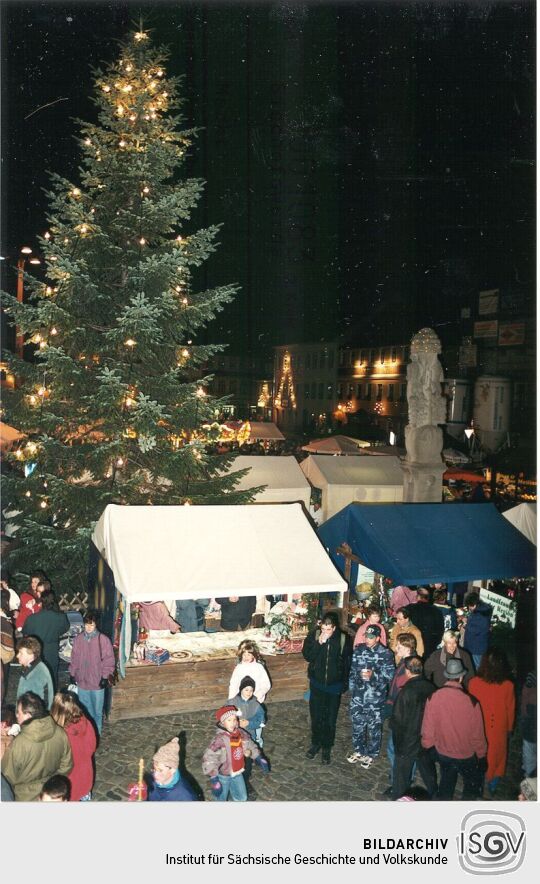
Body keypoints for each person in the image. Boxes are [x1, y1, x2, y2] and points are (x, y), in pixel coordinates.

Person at [421, 657, 487, 800]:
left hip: (443, 752)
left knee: (446, 783)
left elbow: (427, 729)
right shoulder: (471, 702)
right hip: (466, 755)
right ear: (461, 676)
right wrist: (482, 755)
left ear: (446, 675)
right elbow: (478, 735)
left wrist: (428, 747)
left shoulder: (434, 697)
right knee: (470, 787)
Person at [1, 691, 73, 801]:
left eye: (18, 712)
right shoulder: (60, 732)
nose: (16, 715)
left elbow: (7, 776)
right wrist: (51, 783)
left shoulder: (19, 744)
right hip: (48, 794)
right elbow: (66, 766)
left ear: (28, 715)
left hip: (24, 797)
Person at [302, 610, 352, 764]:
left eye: (328, 630)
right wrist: (319, 643)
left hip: (334, 686)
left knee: (330, 719)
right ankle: (315, 743)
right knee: (316, 716)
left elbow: (347, 663)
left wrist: (344, 684)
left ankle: (326, 748)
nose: (325, 632)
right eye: (323, 629)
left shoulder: (344, 639)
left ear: (334, 628)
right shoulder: (315, 635)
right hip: (317, 684)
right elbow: (308, 656)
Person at [348, 623, 395, 770]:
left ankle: (372, 754)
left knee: (374, 727)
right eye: (366, 636)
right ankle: (359, 750)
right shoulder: (359, 650)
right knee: (357, 725)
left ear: (378, 638)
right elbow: (352, 670)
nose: (368, 639)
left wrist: (374, 676)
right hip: (358, 696)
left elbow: (390, 675)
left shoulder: (386, 653)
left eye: (371, 637)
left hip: (375, 697)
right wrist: (353, 688)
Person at [468, 648, 515, 796]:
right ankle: (493, 784)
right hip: (498, 727)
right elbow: (510, 709)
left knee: (479, 754)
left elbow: (471, 707)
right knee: (497, 755)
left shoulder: (474, 682)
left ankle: (479, 784)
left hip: (479, 725)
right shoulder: (508, 685)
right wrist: (509, 728)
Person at [389, 655, 436, 799]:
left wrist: (397, 743)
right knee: (428, 772)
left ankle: (399, 799)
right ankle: (435, 795)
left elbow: (397, 720)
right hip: (425, 739)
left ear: (408, 671)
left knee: (401, 777)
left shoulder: (406, 691)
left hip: (407, 742)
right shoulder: (431, 687)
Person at [202, 705, 269, 801]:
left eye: (234, 720)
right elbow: (209, 757)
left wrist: (258, 757)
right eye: (229, 720)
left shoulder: (241, 733)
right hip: (224, 775)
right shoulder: (220, 739)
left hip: (238, 772)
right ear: (222, 722)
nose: (233, 723)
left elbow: (250, 744)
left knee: (242, 797)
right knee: (221, 798)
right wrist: (214, 778)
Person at [69, 610, 115, 735]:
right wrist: (72, 673)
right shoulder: (78, 639)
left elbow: (109, 660)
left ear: (96, 625)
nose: (89, 628)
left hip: (97, 682)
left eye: (92, 625)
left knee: (97, 712)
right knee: (85, 711)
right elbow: (74, 658)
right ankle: (87, 736)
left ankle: (97, 735)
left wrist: (105, 676)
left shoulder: (103, 640)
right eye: (87, 624)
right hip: (82, 681)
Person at [50, 690, 97, 800]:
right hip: (85, 779)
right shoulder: (86, 722)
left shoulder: (59, 735)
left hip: (68, 787)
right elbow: (92, 747)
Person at [22, 588, 69, 688]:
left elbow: (25, 631)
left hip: (36, 652)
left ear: (41, 602)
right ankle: (53, 701)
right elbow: (65, 628)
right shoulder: (60, 617)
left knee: (36, 679)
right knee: (52, 680)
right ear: (53, 601)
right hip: (52, 651)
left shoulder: (32, 618)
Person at [147, 736, 199, 801]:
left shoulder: (185, 797)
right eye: (154, 769)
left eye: (160, 771)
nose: (155, 774)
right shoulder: (150, 780)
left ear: (172, 770)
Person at [15, 636, 54, 709]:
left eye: (21, 653)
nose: (17, 656)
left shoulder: (38, 674)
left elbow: (42, 706)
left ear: (31, 654)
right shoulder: (31, 667)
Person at [228, 640, 271, 704]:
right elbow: (234, 684)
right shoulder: (239, 668)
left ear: (253, 655)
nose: (246, 657)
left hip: (256, 699)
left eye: (248, 655)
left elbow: (266, 684)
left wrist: (258, 695)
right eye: (244, 655)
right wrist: (231, 699)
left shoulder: (259, 667)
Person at [228, 675, 266, 747]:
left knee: (249, 753)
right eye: (246, 690)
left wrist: (249, 723)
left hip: (249, 735)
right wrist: (236, 723)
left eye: (251, 690)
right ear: (241, 689)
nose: (249, 692)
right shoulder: (232, 702)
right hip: (234, 735)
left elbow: (262, 721)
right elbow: (224, 717)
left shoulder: (256, 705)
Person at [408, 588, 445, 658]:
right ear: (428, 598)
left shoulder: (410, 609)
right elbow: (440, 630)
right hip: (431, 646)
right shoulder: (437, 611)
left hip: (414, 646)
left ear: (418, 597)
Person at [462, 592, 492, 669]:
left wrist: (466, 624)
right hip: (479, 645)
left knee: (477, 667)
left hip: (476, 648)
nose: (469, 608)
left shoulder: (479, 615)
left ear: (474, 605)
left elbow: (475, 630)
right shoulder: (482, 611)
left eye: (469, 606)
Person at [520, 670, 537, 778]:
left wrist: (524, 712)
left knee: (529, 748)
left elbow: (525, 694)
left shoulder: (533, 675)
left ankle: (528, 775)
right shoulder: (533, 675)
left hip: (532, 716)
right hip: (532, 716)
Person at [1, 588, 15, 703]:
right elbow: (10, 649)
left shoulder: (5, 621)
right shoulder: (6, 623)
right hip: (4, 658)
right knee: (3, 680)